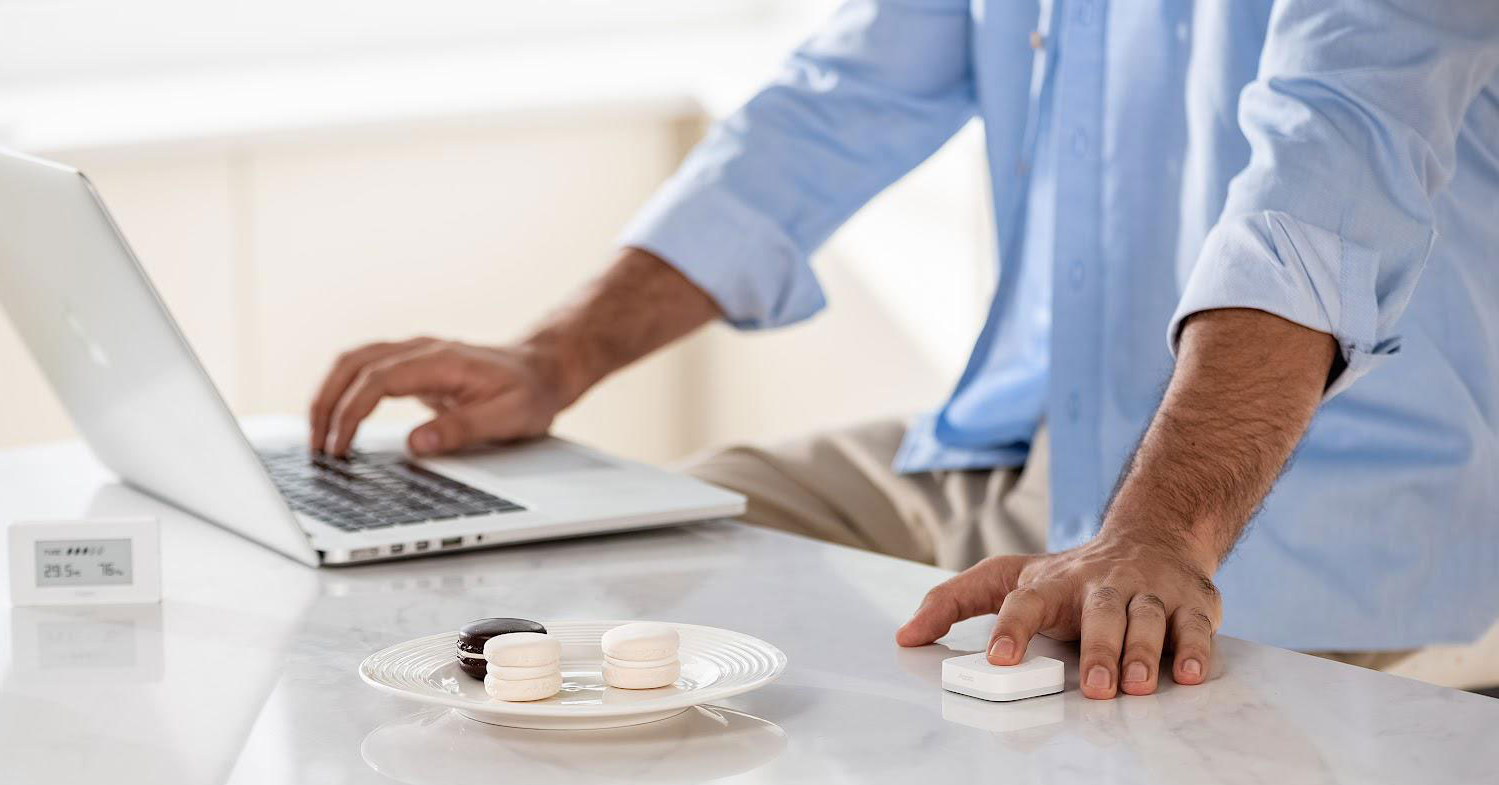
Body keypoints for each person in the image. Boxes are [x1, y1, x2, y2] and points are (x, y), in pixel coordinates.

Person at [308, 1, 1499, 698]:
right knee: (625, 564)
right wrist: (555, 359)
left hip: (1285, 507)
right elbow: (834, 103)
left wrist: (1156, 534)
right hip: (1016, 442)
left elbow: (1325, 181)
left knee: (1081, 768)